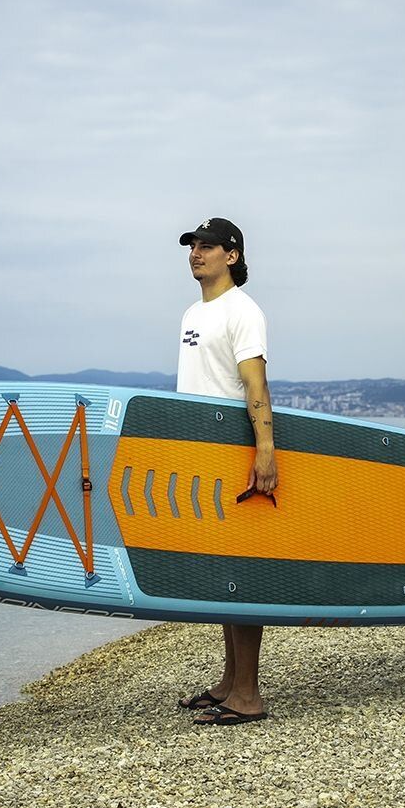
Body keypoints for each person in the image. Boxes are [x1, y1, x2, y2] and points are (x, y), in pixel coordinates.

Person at [174, 217, 278, 727]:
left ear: (231, 255)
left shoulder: (243, 311)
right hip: (201, 454)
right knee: (221, 574)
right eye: (192, 245)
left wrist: (265, 450)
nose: (196, 253)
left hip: (233, 453)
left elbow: (254, 384)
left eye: (207, 246)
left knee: (241, 572)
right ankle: (230, 682)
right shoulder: (194, 312)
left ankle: (248, 696)